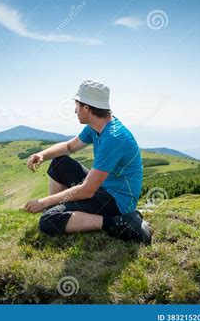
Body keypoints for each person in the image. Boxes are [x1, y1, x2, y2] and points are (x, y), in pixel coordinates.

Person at [24, 80, 151, 244]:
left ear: (87, 107)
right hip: (103, 188)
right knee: (58, 163)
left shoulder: (113, 137)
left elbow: (87, 190)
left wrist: (43, 203)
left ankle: (120, 222)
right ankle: (61, 213)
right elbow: (69, 146)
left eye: (77, 104)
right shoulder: (96, 126)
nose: (75, 110)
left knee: (48, 220)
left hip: (118, 200)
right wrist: (42, 155)